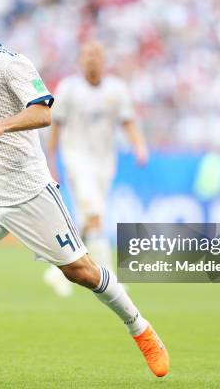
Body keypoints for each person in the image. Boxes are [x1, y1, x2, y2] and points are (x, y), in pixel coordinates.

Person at [0, 0, 169, 379]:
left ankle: (141, 329)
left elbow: (43, 112)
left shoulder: (11, 64)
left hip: (28, 193)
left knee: (82, 272)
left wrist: (3, 125)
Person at [44, 41, 149, 296]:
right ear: (80, 60)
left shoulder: (117, 89)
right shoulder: (69, 88)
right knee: (95, 214)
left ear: (104, 60)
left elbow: (128, 121)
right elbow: (56, 124)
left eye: (97, 55)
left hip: (105, 162)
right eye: (87, 55)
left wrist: (139, 146)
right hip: (76, 158)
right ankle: (109, 277)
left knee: (87, 219)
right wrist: (51, 159)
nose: (92, 60)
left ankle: (57, 272)